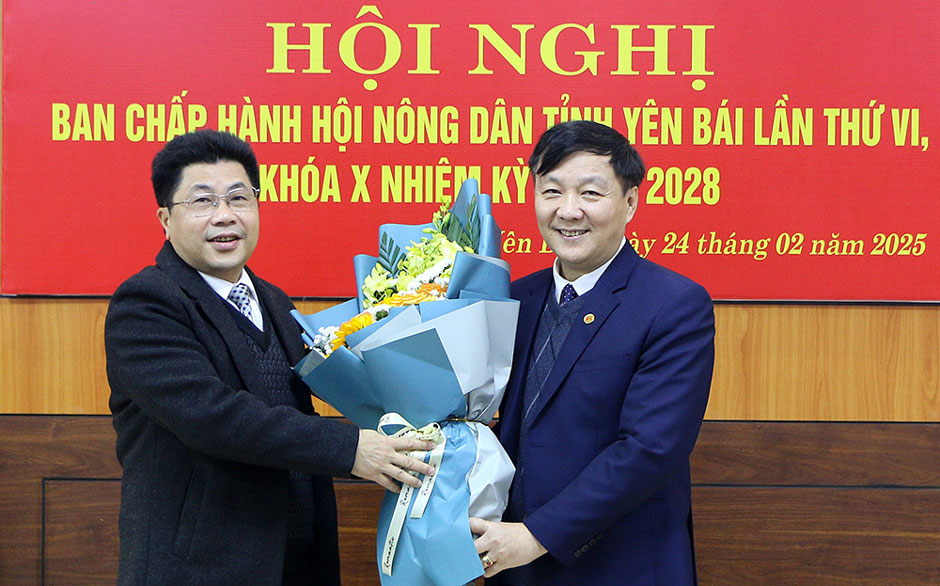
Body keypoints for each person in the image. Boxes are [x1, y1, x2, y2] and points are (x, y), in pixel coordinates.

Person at [105, 129, 435, 586]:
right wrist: (350, 449)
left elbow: (342, 388)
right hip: (200, 568)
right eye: (202, 202)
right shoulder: (146, 304)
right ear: (165, 218)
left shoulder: (275, 303)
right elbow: (211, 416)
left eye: (239, 198)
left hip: (295, 560)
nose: (225, 216)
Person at [469, 120, 715, 585]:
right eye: (552, 191)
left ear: (630, 202)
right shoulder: (512, 299)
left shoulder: (674, 304)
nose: (568, 211)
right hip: (515, 562)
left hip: (621, 564)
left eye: (590, 193)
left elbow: (649, 450)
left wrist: (537, 535)